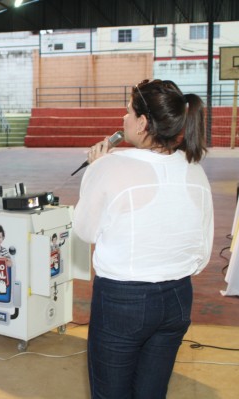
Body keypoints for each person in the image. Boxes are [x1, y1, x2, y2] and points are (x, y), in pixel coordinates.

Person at [73, 79, 214, 399]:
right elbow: (202, 254)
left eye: (127, 112)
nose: (122, 119)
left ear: (142, 122)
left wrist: (93, 171)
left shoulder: (111, 166)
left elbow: (84, 230)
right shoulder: (194, 169)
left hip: (123, 300)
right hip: (177, 297)